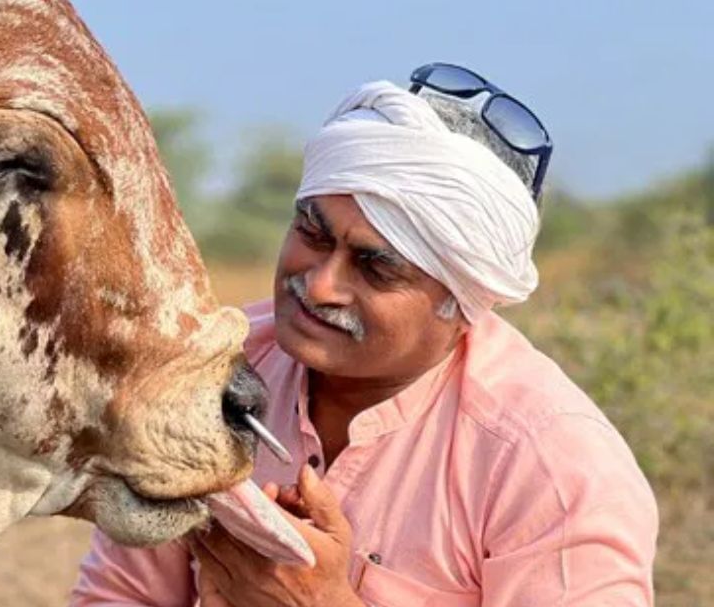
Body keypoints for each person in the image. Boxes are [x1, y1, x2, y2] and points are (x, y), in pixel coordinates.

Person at [70, 64, 658, 606]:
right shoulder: (211, 374)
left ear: (461, 302)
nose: (320, 285)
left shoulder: (549, 466)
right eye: (312, 233)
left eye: (376, 268)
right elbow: (118, 597)